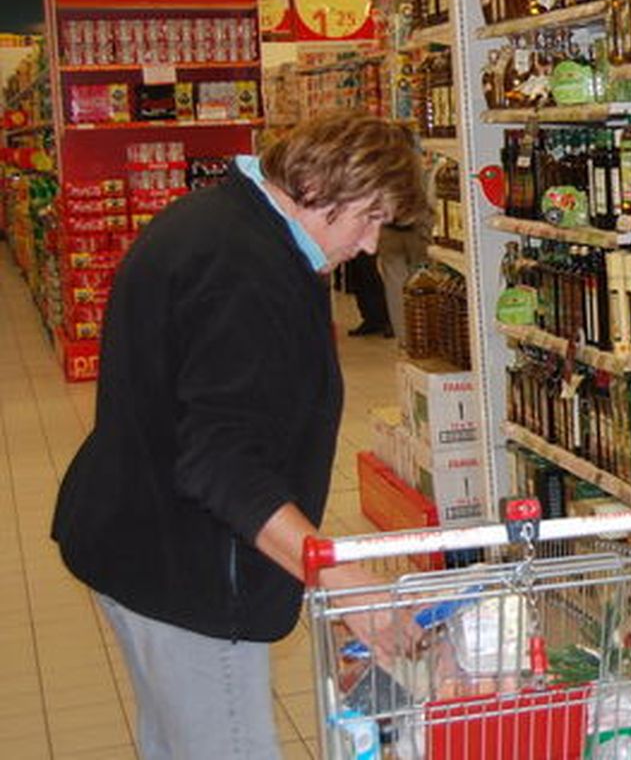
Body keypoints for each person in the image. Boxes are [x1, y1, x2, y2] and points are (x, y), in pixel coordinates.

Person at [51, 111, 428, 759]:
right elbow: (220, 465)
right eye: (369, 217)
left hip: (135, 535)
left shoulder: (224, 222)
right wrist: (338, 578)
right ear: (320, 185)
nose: (370, 244)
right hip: (187, 572)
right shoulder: (244, 270)